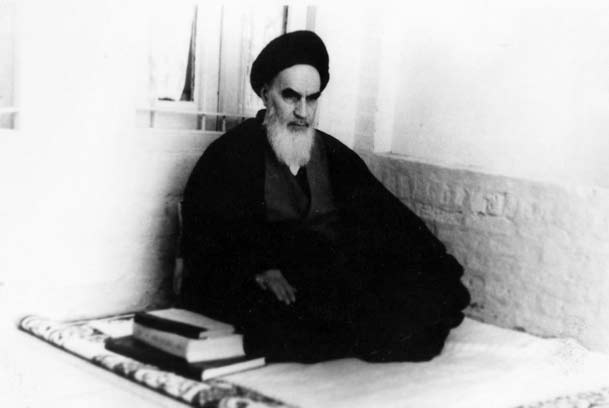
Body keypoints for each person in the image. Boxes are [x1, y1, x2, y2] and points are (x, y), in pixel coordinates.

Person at [181, 30, 470, 363]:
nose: (303, 112)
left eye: (312, 99)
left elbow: (387, 216)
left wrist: (432, 261)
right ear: (265, 94)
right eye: (291, 97)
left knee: (416, 288)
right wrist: (258, 267)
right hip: (268, 279)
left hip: (326, 274)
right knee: (279, 313)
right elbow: (206, 236)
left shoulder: (332, 154)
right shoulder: (230, 156)